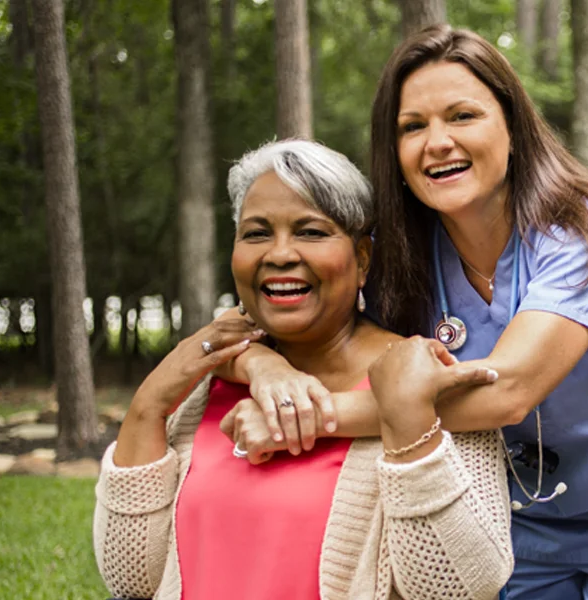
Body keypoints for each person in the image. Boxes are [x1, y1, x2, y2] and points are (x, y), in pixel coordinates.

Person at [228, 26, 588, 600]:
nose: (437, 142)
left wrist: (301, 419)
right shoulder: (398, 256)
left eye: (462, 116)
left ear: (513, 127)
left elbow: (508, 391)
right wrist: (263, 368)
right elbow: (261, 321)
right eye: (413, 127)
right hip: (517, 525)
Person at [92, 139, 513, 600]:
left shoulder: (424, 379)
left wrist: (409, 417)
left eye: (310, 232)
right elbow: (130, 577)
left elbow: (459, 588)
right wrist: (150, 404)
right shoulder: (204, 387)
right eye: (256, 233)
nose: (279, 254)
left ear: (362, 259)